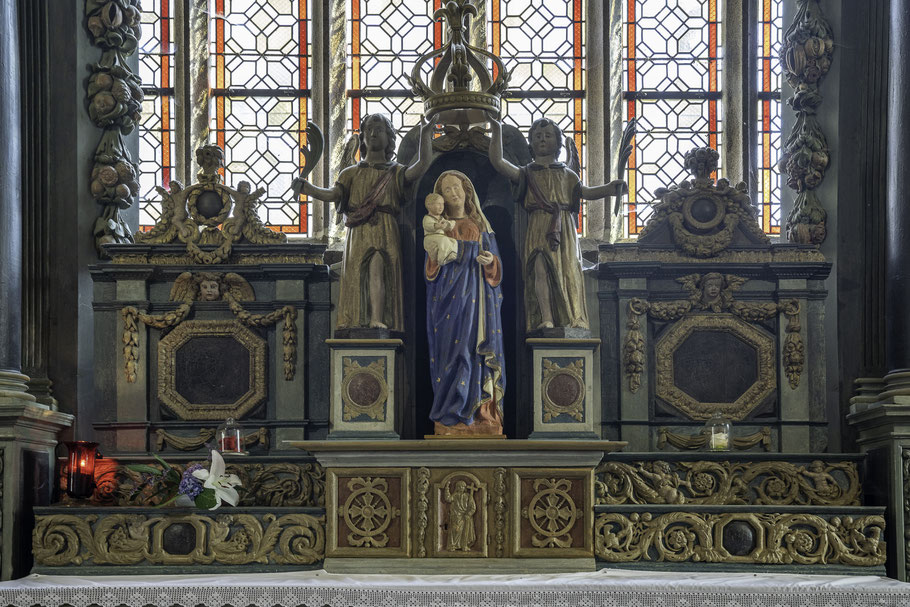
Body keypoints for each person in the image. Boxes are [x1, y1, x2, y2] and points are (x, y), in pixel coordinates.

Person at [293, 114, 434, 331]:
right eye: (369, 129)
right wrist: (309, 189)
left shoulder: (396, 171)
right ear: (363, 137)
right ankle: (353, 322)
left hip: (386, 227)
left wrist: (426, 134)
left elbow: (422, 165)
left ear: (389, 137)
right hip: (358, 230)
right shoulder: (350, 173)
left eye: (379, 129)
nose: (374, 133)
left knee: (379, 266)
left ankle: (379, 319)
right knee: (358, 272)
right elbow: (333, 194)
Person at [488, 115, 626, 331]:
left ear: (558, 142)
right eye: (537, 136)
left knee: (569, 269)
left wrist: (610, 188)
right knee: (540, 269)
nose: (542, 139)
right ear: (531, 143)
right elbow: (498, 162)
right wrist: (495, 130)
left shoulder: (567, 175)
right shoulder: (526, 173)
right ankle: (546, 317)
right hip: (538, 225)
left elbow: (586, 193)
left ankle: (573, 317)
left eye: (548, 135)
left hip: (564, 228)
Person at [425, 170, 506, 436]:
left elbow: (496, 267)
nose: (453, 193)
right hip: (447, 300)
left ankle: (481, 413)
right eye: (446, 190)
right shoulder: (437, 226)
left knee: (473, 350)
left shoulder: (480, 224)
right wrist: (443, 256)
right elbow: (431, 269)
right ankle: (452, 414)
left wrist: (489, 262)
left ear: (467, 190)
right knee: (451, 353)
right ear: (440, 199)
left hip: (478, 301)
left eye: (457, 187)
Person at [422, 193, 458, 266]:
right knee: (443, 240)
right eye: (438, 204)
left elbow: (447, 226)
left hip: (439, 238)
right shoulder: (427, 218)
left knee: (453, 241)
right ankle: (442, 259)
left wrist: (449, 224)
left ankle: (451, 254)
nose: (441, 207)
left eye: (442, 204)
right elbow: (428, 226)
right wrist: (437, 226)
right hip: (430, 238)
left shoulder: (441, 218)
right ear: (429, 205)